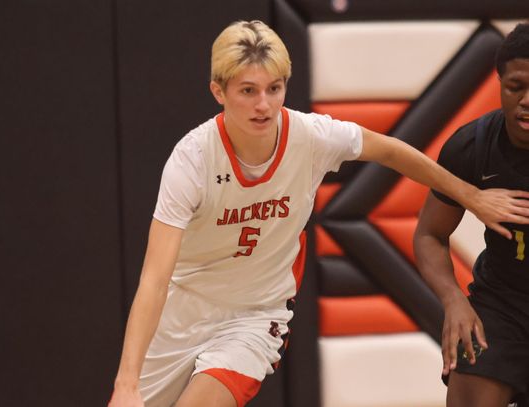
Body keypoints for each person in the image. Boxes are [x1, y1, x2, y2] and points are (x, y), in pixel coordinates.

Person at [109, 20, 529, 407]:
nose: (263, 105)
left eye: (274, 88)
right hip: (185, 310)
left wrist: (470, 195)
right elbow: (155, 278)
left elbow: (391, 151)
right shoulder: (193, 159)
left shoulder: (310, 136)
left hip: (256, 316)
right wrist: (126, 383)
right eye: (248, 91)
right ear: (219, 92)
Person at [414, 23, 529, 407]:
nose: (527, 100)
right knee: (471, 376)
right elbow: (429, 235)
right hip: (501, 306)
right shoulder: (471, 146)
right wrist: (453, 301)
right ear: (500, 83)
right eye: (516, 87)